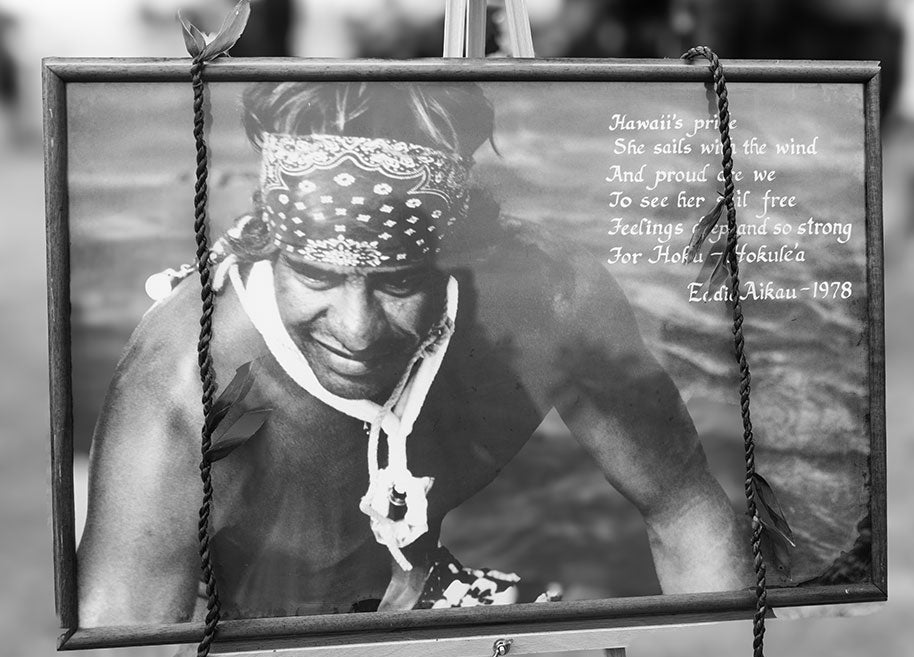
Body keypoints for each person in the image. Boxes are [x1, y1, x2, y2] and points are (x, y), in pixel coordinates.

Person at [77, 82, 752, 625]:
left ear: (459, 256)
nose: (357, 330)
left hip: (414, 586)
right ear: (273, 247)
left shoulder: (548, 301)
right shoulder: (185, 384)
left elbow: (684, 509)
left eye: (399, 283)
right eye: (315, 277)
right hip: (227, 630)